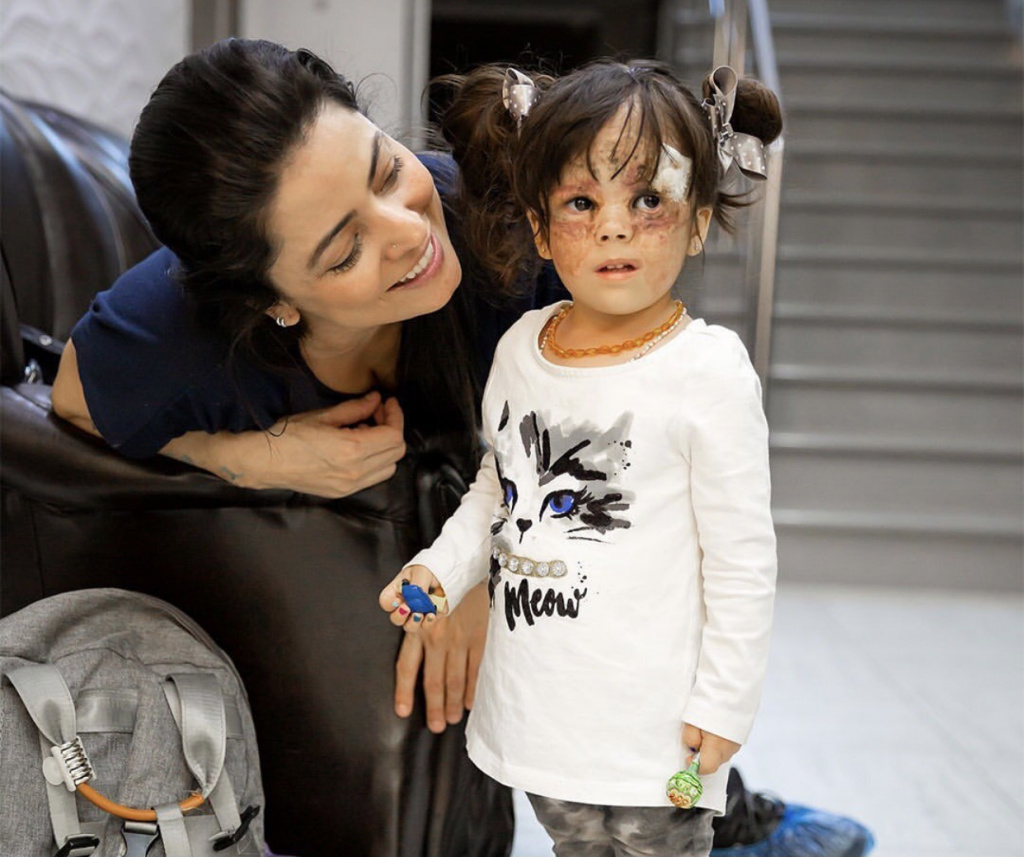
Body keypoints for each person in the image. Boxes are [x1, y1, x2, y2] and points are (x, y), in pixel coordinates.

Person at [51, 38, 873, 857]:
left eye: (385, 170)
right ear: (273, 300)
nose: (410, 230)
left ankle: (710, 810)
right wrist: (255, 456)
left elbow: (632, 466)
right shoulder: (176, 330)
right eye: (345, 249)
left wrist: (489, 575)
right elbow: (71, 397)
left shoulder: (503, 228)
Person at [379, 59, 780, 856]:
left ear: (698, 221)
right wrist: (442, 568)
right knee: (573, 840)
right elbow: (501, 484)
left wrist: (725, 702)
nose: (614, 226)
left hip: (656, 725)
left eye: (649, 199)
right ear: (539, 227)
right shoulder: (522, 347)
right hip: (544, 714)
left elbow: (742, 561)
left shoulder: (708, 371)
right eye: (581, 202)